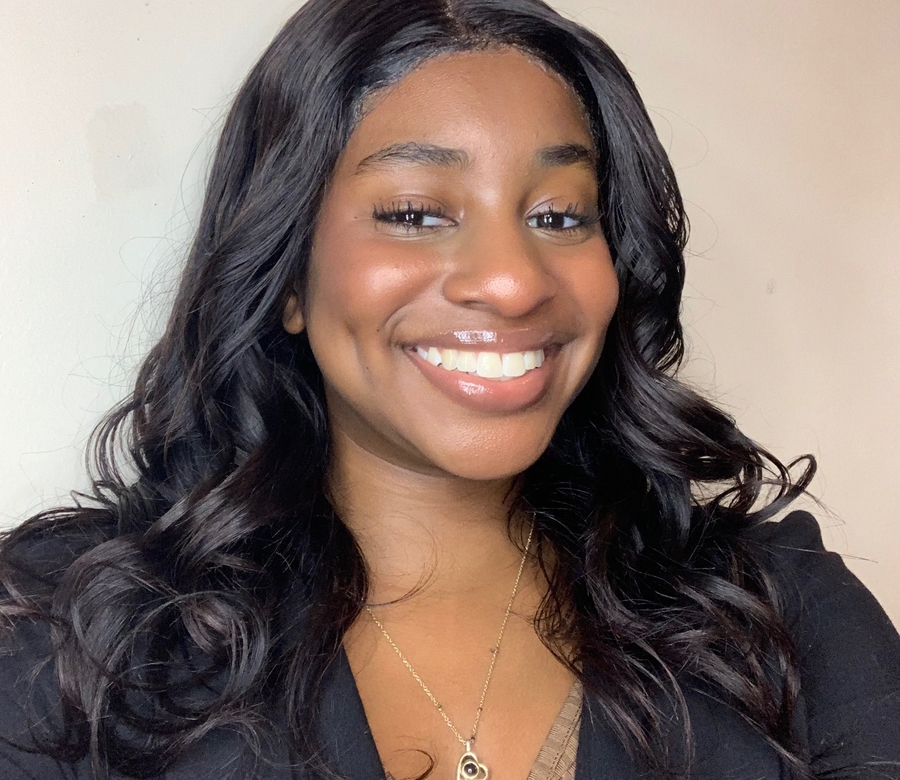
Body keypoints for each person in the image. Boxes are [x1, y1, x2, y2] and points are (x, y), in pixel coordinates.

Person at [1, 0, 898, 778]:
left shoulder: (784, 618)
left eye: (559, 215)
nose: (511, 281)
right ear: (286, 278)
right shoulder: (67, 637)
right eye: (415, 212)